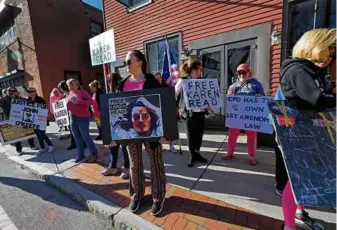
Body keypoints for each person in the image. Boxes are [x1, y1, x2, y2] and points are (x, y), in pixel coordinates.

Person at [279, 28, 336, 230]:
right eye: (329, 48)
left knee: (303, 179)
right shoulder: (299, 70)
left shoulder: (307, 70)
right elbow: (316, 98)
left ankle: (298, 212)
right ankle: (288, 225)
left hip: (307, 131)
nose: (331, 54)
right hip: (300, 133)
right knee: (295, 182)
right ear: (316, 46)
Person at [117, 50, 166, 216]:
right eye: (125, 62)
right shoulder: (122, 84)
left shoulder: (151, 80)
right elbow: (117, 107)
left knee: (155, 162)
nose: (127, 65)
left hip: (151, 131)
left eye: (129, 61)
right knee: (134, 163)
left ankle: (158, 197)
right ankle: (137, 194)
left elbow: (163, 103)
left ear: (139, 62)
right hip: (131, 132)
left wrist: (165, 131)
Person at [223, 63, 264, 165]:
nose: (241, 74)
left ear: (248, 72)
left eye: (243, 72)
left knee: (251, 136)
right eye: (239, 72)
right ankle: (230, 152)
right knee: (232, 135)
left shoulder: (256, 84)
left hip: (250, 116)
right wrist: (229, 96)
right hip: (237, 115)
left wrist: (259, 97)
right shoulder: (233, 86)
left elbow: (262, 97)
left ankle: (252, 156)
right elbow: (230, 99)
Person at [175, 58, 208, 167]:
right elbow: (175, 96)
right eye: (199, 69)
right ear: (193, 69)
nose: (201, 71)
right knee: (191, 136)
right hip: (189, 114)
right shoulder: (182, 81)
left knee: (199, 135)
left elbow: (207, 96)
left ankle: (197, 153)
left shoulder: (202, 81)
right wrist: (179, 110)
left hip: (201, 113)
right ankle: (192, 156)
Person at [101, 73, 130, 180]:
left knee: (124, 147)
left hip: (124, 124)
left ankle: (127, 168)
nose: (108, 84)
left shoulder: (123, 92)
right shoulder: (109, 93)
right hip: (113, 124)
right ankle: (113, 166)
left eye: (109, 82)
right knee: (113, 146)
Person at [66, 78, 98, 163]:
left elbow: (91, 102)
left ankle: (94, 153)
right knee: (77, 137)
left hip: (82, 117)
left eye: (72, 84)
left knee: (85, 136)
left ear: (77, 85)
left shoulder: (83, 93)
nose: (71, 86)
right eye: (69, 84)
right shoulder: (68, 94)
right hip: (72, 117)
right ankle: (80, 155)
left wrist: (79, 102)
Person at [0, 87, 37, 154]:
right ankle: (19, 150)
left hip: (21, 118)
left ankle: (32, 145)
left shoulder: (19, 98)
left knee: (28, 131)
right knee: (16, 135)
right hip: (10, 119)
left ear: (15, 91)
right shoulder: (3, 99)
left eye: (11, 90)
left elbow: (27, 103)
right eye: (8, 90)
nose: (10, 92)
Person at [154, 72, 177, 153]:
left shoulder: (166, 87)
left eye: (159, 78)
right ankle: (160, 146)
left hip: (166, 111)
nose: (158, 79)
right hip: (156, 112)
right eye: (156, 78)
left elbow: (171, 98)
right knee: (158, 130)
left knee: (168, 130)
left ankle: (171, 145)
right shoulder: (151, 89)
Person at [27, 87, 55, 154]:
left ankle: (51, 145)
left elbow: (44, 109)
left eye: (30, 92)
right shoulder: (28, 100)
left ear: (34, 92)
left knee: (42, 133)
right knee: (38, 134)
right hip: (32, 120)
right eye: (28, 92)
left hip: (40, 119)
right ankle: (42, 147)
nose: (29, 93)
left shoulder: (40, 99)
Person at [58, 81, 84, 150]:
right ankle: (78, 143)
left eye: (60, 88)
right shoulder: (65, 95)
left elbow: (76, 103)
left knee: (75, 131)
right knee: (74, 131)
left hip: (74, 115)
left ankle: (77, 144)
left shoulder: (70, 94)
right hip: (69, 115)